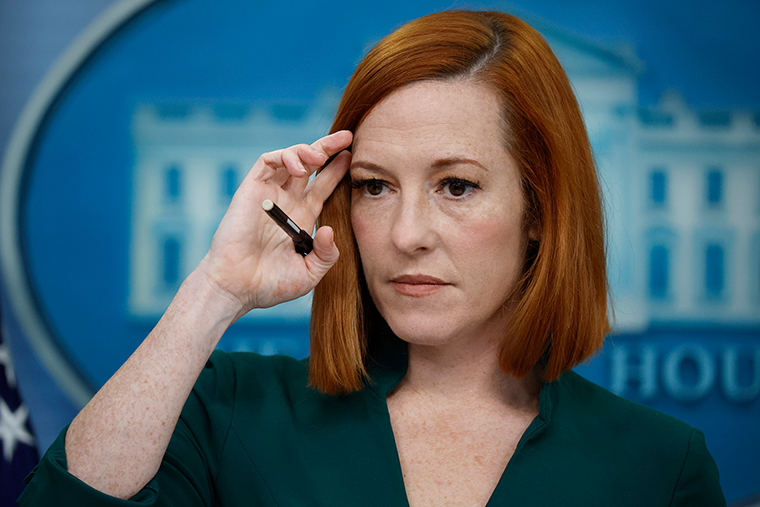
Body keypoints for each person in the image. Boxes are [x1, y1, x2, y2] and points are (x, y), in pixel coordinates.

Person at [19, 10, 725, 507]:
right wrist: (215, 287)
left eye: (456, 185)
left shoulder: (658, 463)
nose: (406, 232)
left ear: (539, 210)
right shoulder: (233, 407)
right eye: (375, 187)